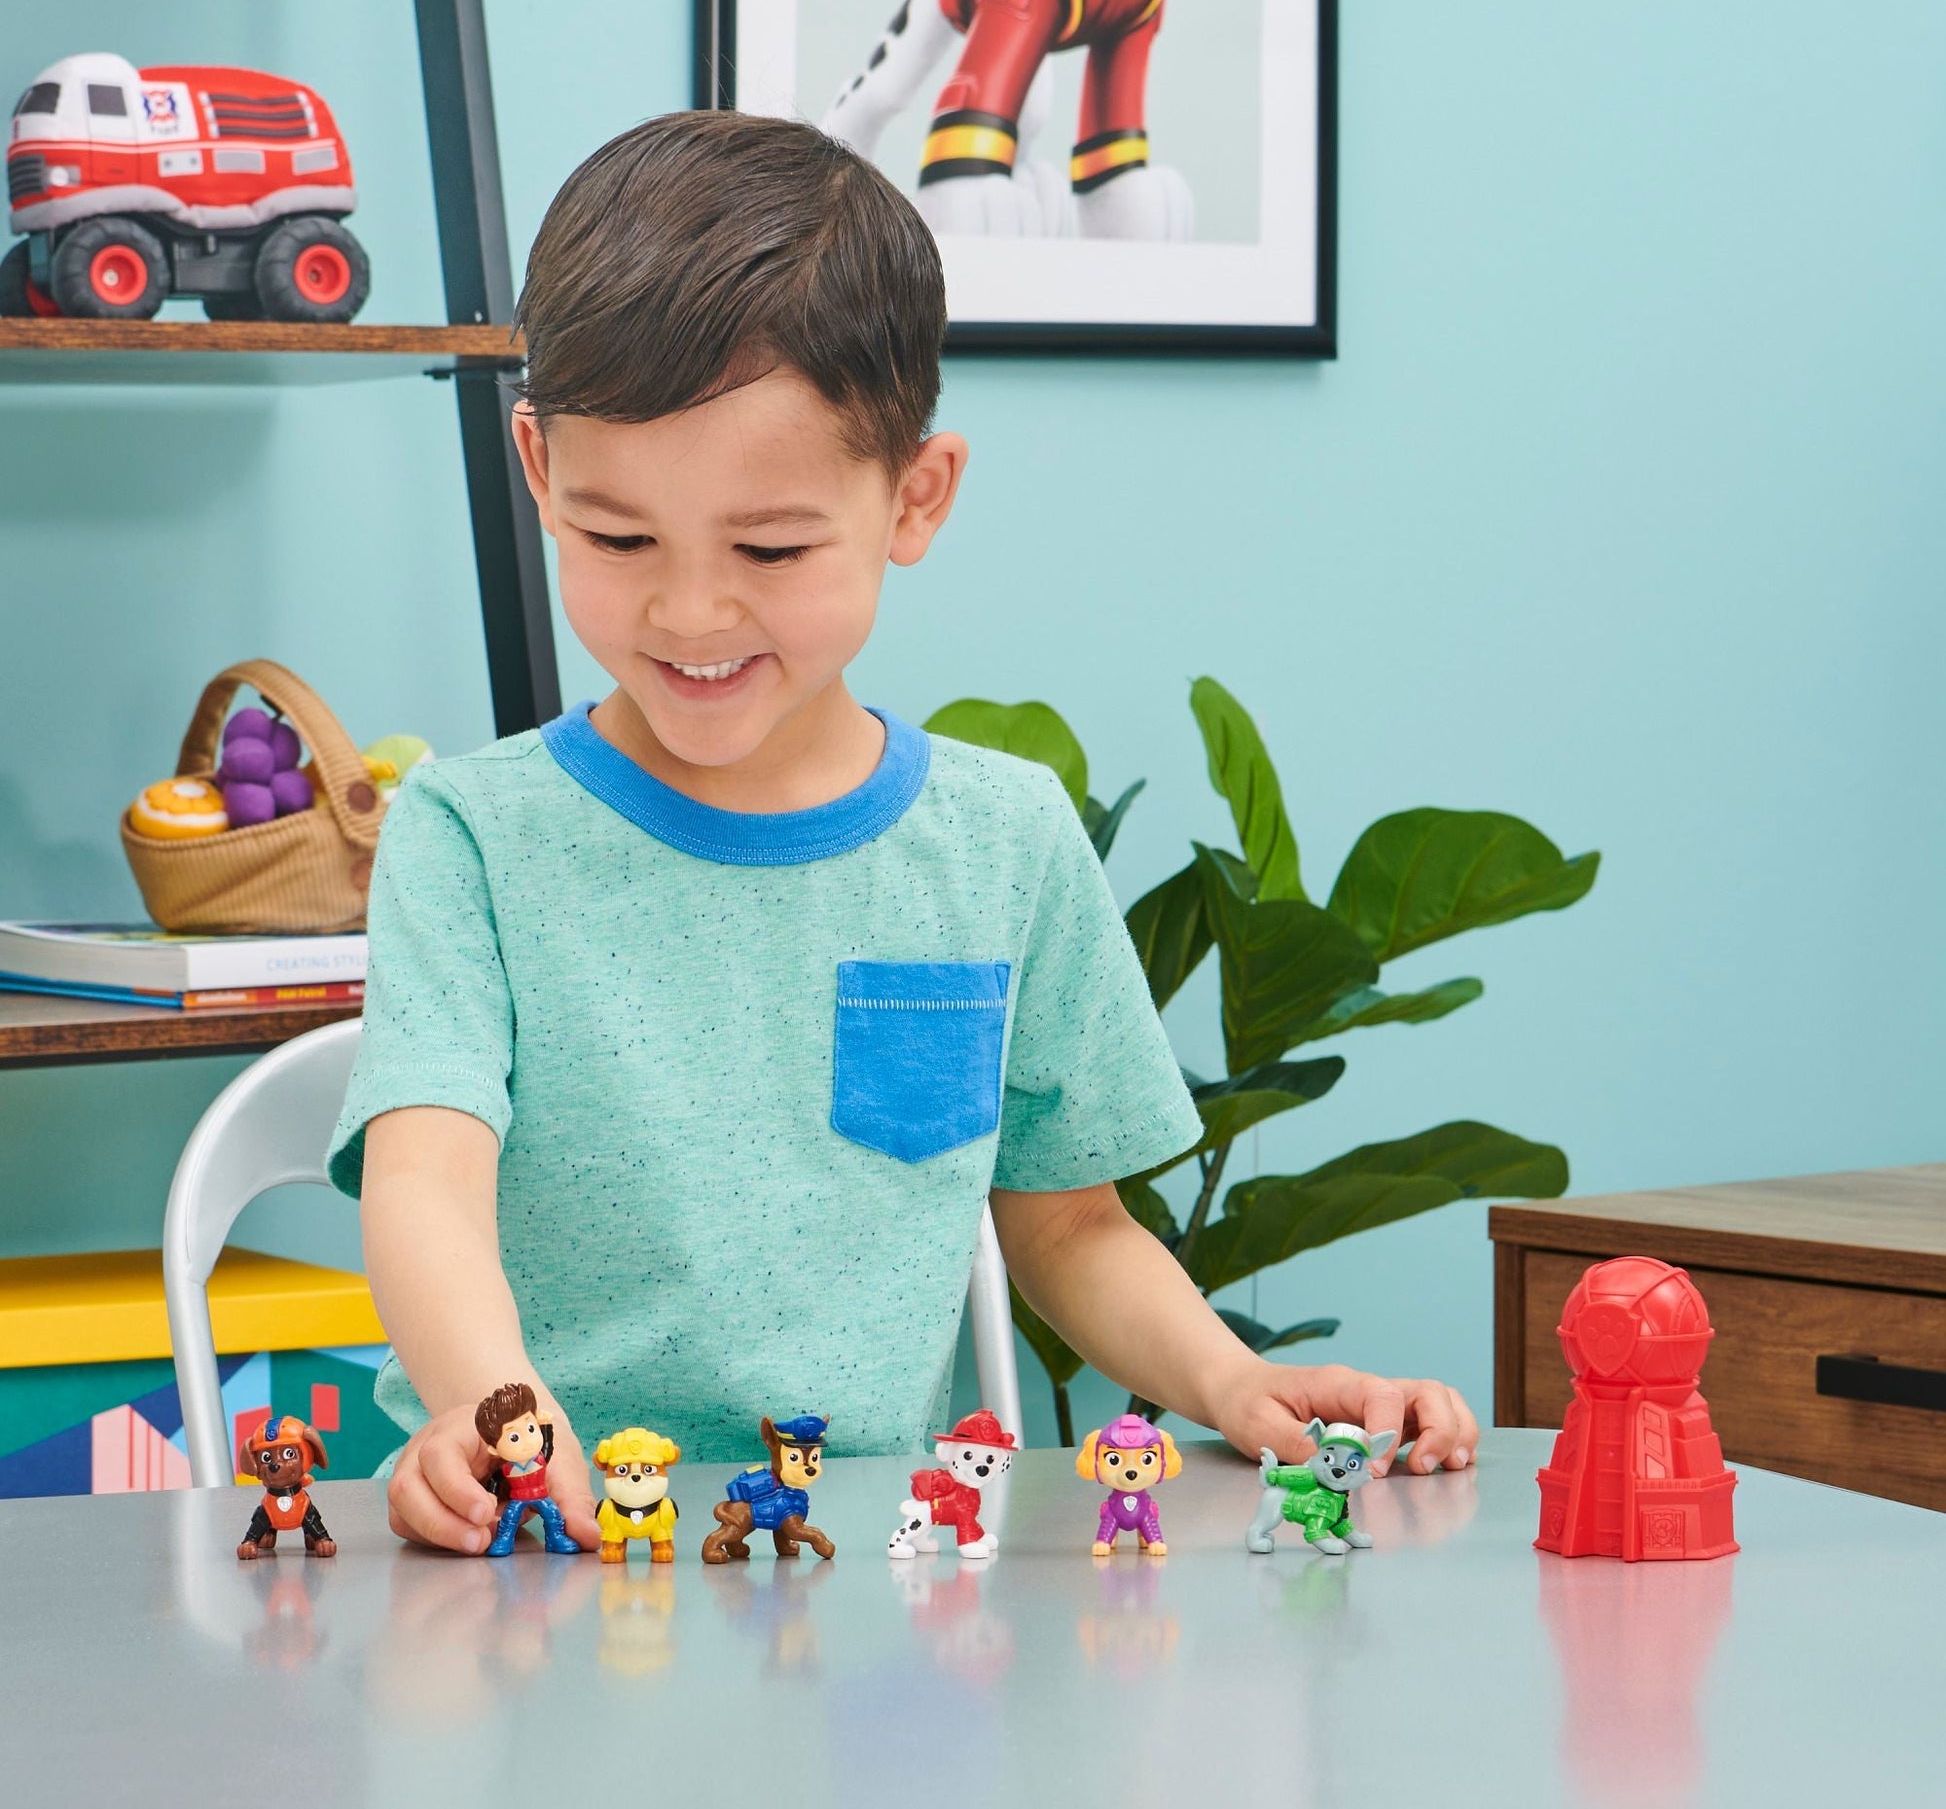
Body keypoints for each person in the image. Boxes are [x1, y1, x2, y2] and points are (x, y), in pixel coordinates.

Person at [325, 110, 1478, 1554]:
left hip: (848, 1569)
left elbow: (1071, 1225)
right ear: (541, 472)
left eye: (768, 548)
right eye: (619, 539)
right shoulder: (469, 837)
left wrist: (1234, 1382)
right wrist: (496, 1412)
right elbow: (425, 1180)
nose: (689, 610)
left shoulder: (1002, 840)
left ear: (914, 499)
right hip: (534, 1543)